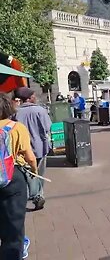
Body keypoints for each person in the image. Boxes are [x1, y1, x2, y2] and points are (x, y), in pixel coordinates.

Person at [0, 92, 38, 260]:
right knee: (14, 223)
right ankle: (14, 252)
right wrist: (34, 170)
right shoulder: (16, 128)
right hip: (12, 177)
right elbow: (29, 156)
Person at [13, 87, 52, 211]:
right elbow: (48, 127)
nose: (36, 97)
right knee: (39, 172)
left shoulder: (15, 112)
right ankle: (38, 195)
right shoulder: (41, 110)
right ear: (29, 98)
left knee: (27, 172)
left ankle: (34, 194)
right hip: (40, 146)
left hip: (22, 148)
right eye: (34, 95)